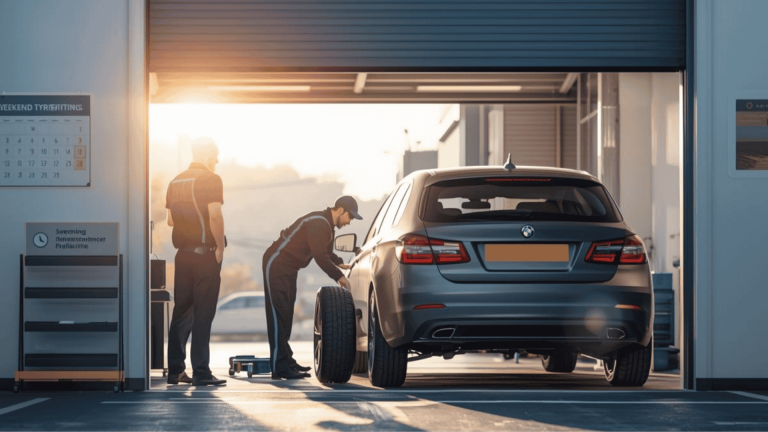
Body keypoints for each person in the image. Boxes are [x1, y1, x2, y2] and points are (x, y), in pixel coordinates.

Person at [263, 196, 362, 380]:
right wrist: (339, 277)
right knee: (278, 315)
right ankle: (279, 367)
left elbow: (327, 253)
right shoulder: (319, 223)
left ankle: (286, 360)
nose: (350, 222)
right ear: (340, 210)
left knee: (286, 314)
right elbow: (320, 257)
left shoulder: (327, 227)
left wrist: (340, 263)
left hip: (290, 268)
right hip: (276, 263)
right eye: (350, 216)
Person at [165, 137, 227, 386]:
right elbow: (215, 215)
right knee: (203, 314)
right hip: (204, 255)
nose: (217, 160)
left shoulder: (174, 181)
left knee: (181, 312)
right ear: (205, 154)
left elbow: (170, 221)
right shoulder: (211, 179)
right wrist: (220, 246)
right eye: (215, 154)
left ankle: (175, 371)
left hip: (182, 257)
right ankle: (201, 372)